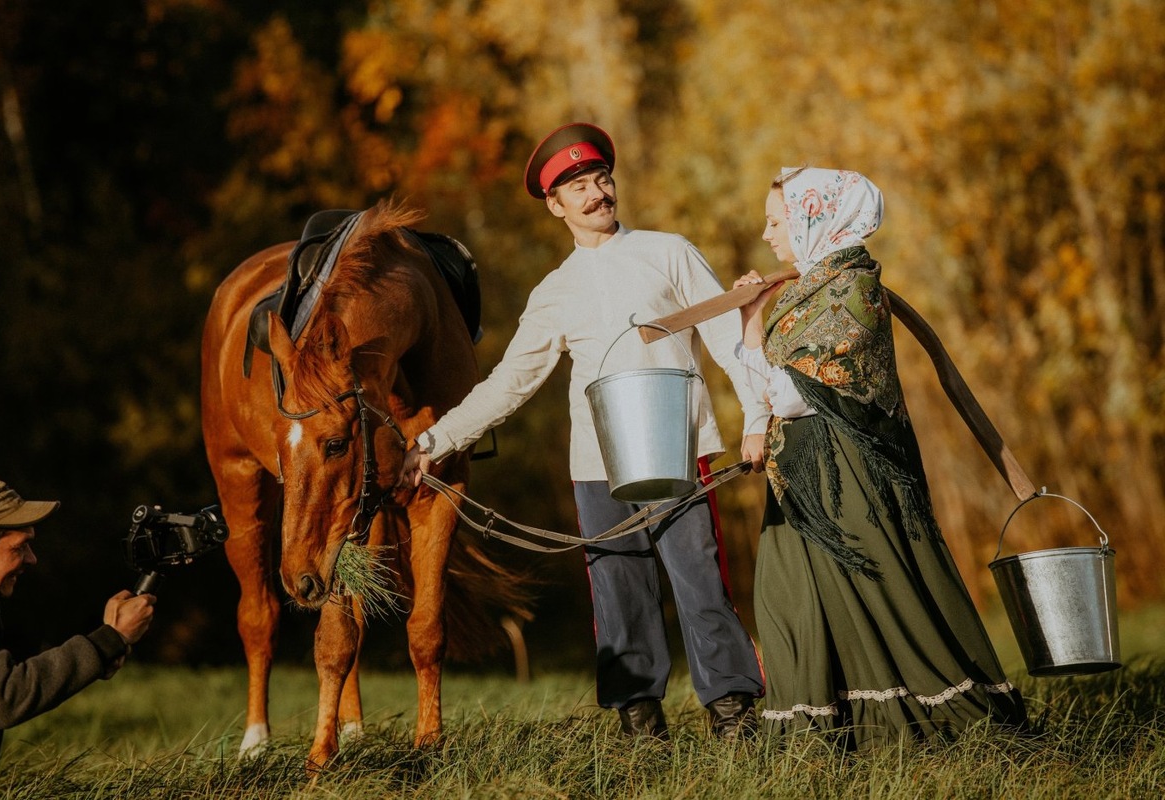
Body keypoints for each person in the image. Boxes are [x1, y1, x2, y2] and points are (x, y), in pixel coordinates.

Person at [401, 122, 766, 740]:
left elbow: (729, 340)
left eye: (601, 178)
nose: (598, 193)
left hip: (678, 447)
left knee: (700, 578)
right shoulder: (554, 291)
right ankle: (638, 722)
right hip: (597, 464)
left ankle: (732, 713)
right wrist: (435, 442)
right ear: (556, 205)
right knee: (617, 591)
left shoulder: (668, 250)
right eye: (579, 187)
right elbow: (509, 383)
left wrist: (757, 415)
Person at [733, 167, 1027, 748]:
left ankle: (931, 726)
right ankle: (817, 737)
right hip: (801, 480)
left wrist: (757, 346)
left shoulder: (853, 290)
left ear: (815, 219)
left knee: (879, 602)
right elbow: (769, 380)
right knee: (790, 599)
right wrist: (750, 315)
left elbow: (786, 393)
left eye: (776, 221)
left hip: (849, 483)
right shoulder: (804, 291)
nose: (767, 235)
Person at [0, 478, 155, 799]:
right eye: (19, 547)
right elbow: (5, 695)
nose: (32, 559)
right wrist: (108, 641)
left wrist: (107, 644)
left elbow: (13, 668)